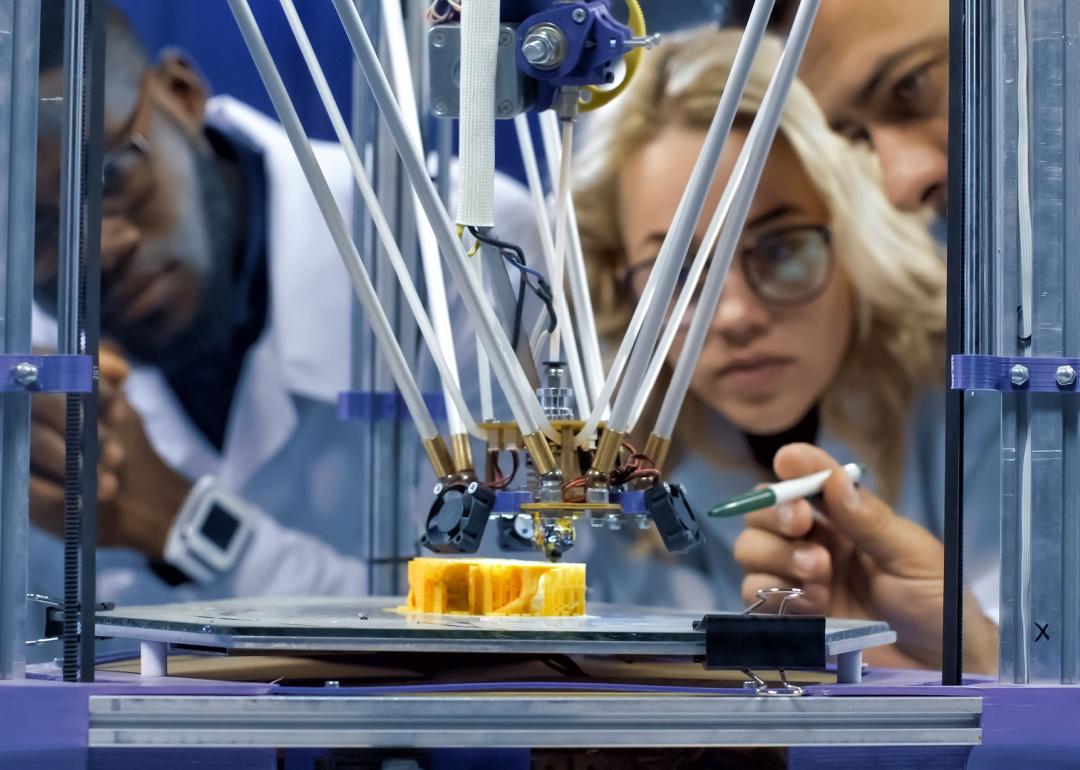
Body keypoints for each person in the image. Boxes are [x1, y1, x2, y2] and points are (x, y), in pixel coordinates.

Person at [29, 4, 540, 628]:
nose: (101, 247)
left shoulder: (460, 252)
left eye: (112, 174)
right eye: (35, 229)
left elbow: (522, 613)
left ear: (182, 95)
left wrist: (183, 523)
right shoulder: (27, 356)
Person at [573, 27, 998, 672]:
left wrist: (971, 662)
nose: (736, 315)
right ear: (620, 287)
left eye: (782, 249)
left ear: (856, 236)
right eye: (677, 277)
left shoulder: (984, 408)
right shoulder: (602, 472)